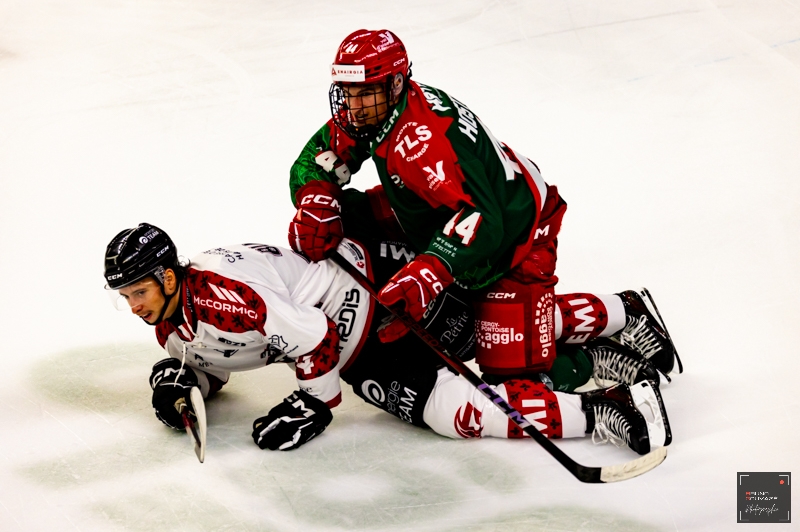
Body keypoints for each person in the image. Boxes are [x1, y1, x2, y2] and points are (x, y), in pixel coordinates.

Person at [286, 29, 682, 388]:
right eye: (348, 92)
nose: (353, 107)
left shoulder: (424, 146)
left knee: (513, 380)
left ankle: (614, 323)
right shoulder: (383, 111)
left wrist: (427, 273)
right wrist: (315, 198)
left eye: (364, 93)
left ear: (395, 84)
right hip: (437, 208)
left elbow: (481, 219)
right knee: (342, 214)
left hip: (515, 234)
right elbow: (318, 156)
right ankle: (513, 316)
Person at [103, 222, 671, 455]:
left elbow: (315, 337)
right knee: (468, 375)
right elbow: (218, 357)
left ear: (169, 277)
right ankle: (606, 359)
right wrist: (186, 386)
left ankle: (618, 351)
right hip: (354, 328)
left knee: (485, 345)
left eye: (138, 291)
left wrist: (315, 403)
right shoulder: (173, 320)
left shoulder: (226, 299)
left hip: (371, 289)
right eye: (124, 296)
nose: (133, 306)